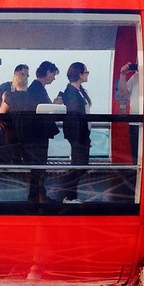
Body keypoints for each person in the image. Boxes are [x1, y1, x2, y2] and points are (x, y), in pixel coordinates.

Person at [24, 60, 60, 203]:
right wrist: (54, 105)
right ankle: (36, 197)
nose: (54, 78)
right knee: (39, 165)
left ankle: (38, 195)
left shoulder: (36, 88)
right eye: (53, 74)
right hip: (37, 134)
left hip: (37, 133)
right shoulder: (36, 89)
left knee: (39, 166)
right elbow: (39, 109)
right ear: (47, 73)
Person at [60, 62, 92, 203]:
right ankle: (68, 195)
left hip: (82, 134)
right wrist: (80, 137)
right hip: (79, 135)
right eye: (86, 72)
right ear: (79, 74)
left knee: (80, 165)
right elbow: (75, 117)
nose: (87, 75)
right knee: (79, 166)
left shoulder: (78, 91)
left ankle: (70, 194)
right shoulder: (72, 92)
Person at [0, 64, 31, 166]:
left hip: (12, 130)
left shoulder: (10, 97)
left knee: (14, 154)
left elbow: (2, 111)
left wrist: (3, 101)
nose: (25, 77)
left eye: (27, 75)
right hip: (13, 129)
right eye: (23, 74)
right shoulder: (5, 87)